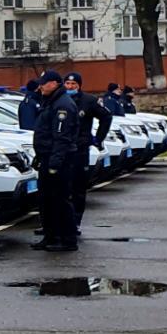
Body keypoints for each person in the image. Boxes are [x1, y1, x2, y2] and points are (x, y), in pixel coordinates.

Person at [30, 70, 81, 252]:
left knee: (60, 200)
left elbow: (61, 138)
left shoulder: (62, 106)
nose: (41, 86)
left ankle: (67, 239)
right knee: (46, 200)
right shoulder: (51, 101)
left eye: (44, 83)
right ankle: (50, 236)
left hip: (60, 161)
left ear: (53, 84)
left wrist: (54, 164)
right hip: (48, 157)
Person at [63, 72, 111, 232]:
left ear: (79, 85)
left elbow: (106, 117)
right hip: (62, 150)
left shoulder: (88, 101)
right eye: (68, 84)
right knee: (62, 188)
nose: (70, 87)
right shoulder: (60, 100)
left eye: (73, 85)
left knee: (78, 188)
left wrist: (98, 138)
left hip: (80, 150)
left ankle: (76, 221)